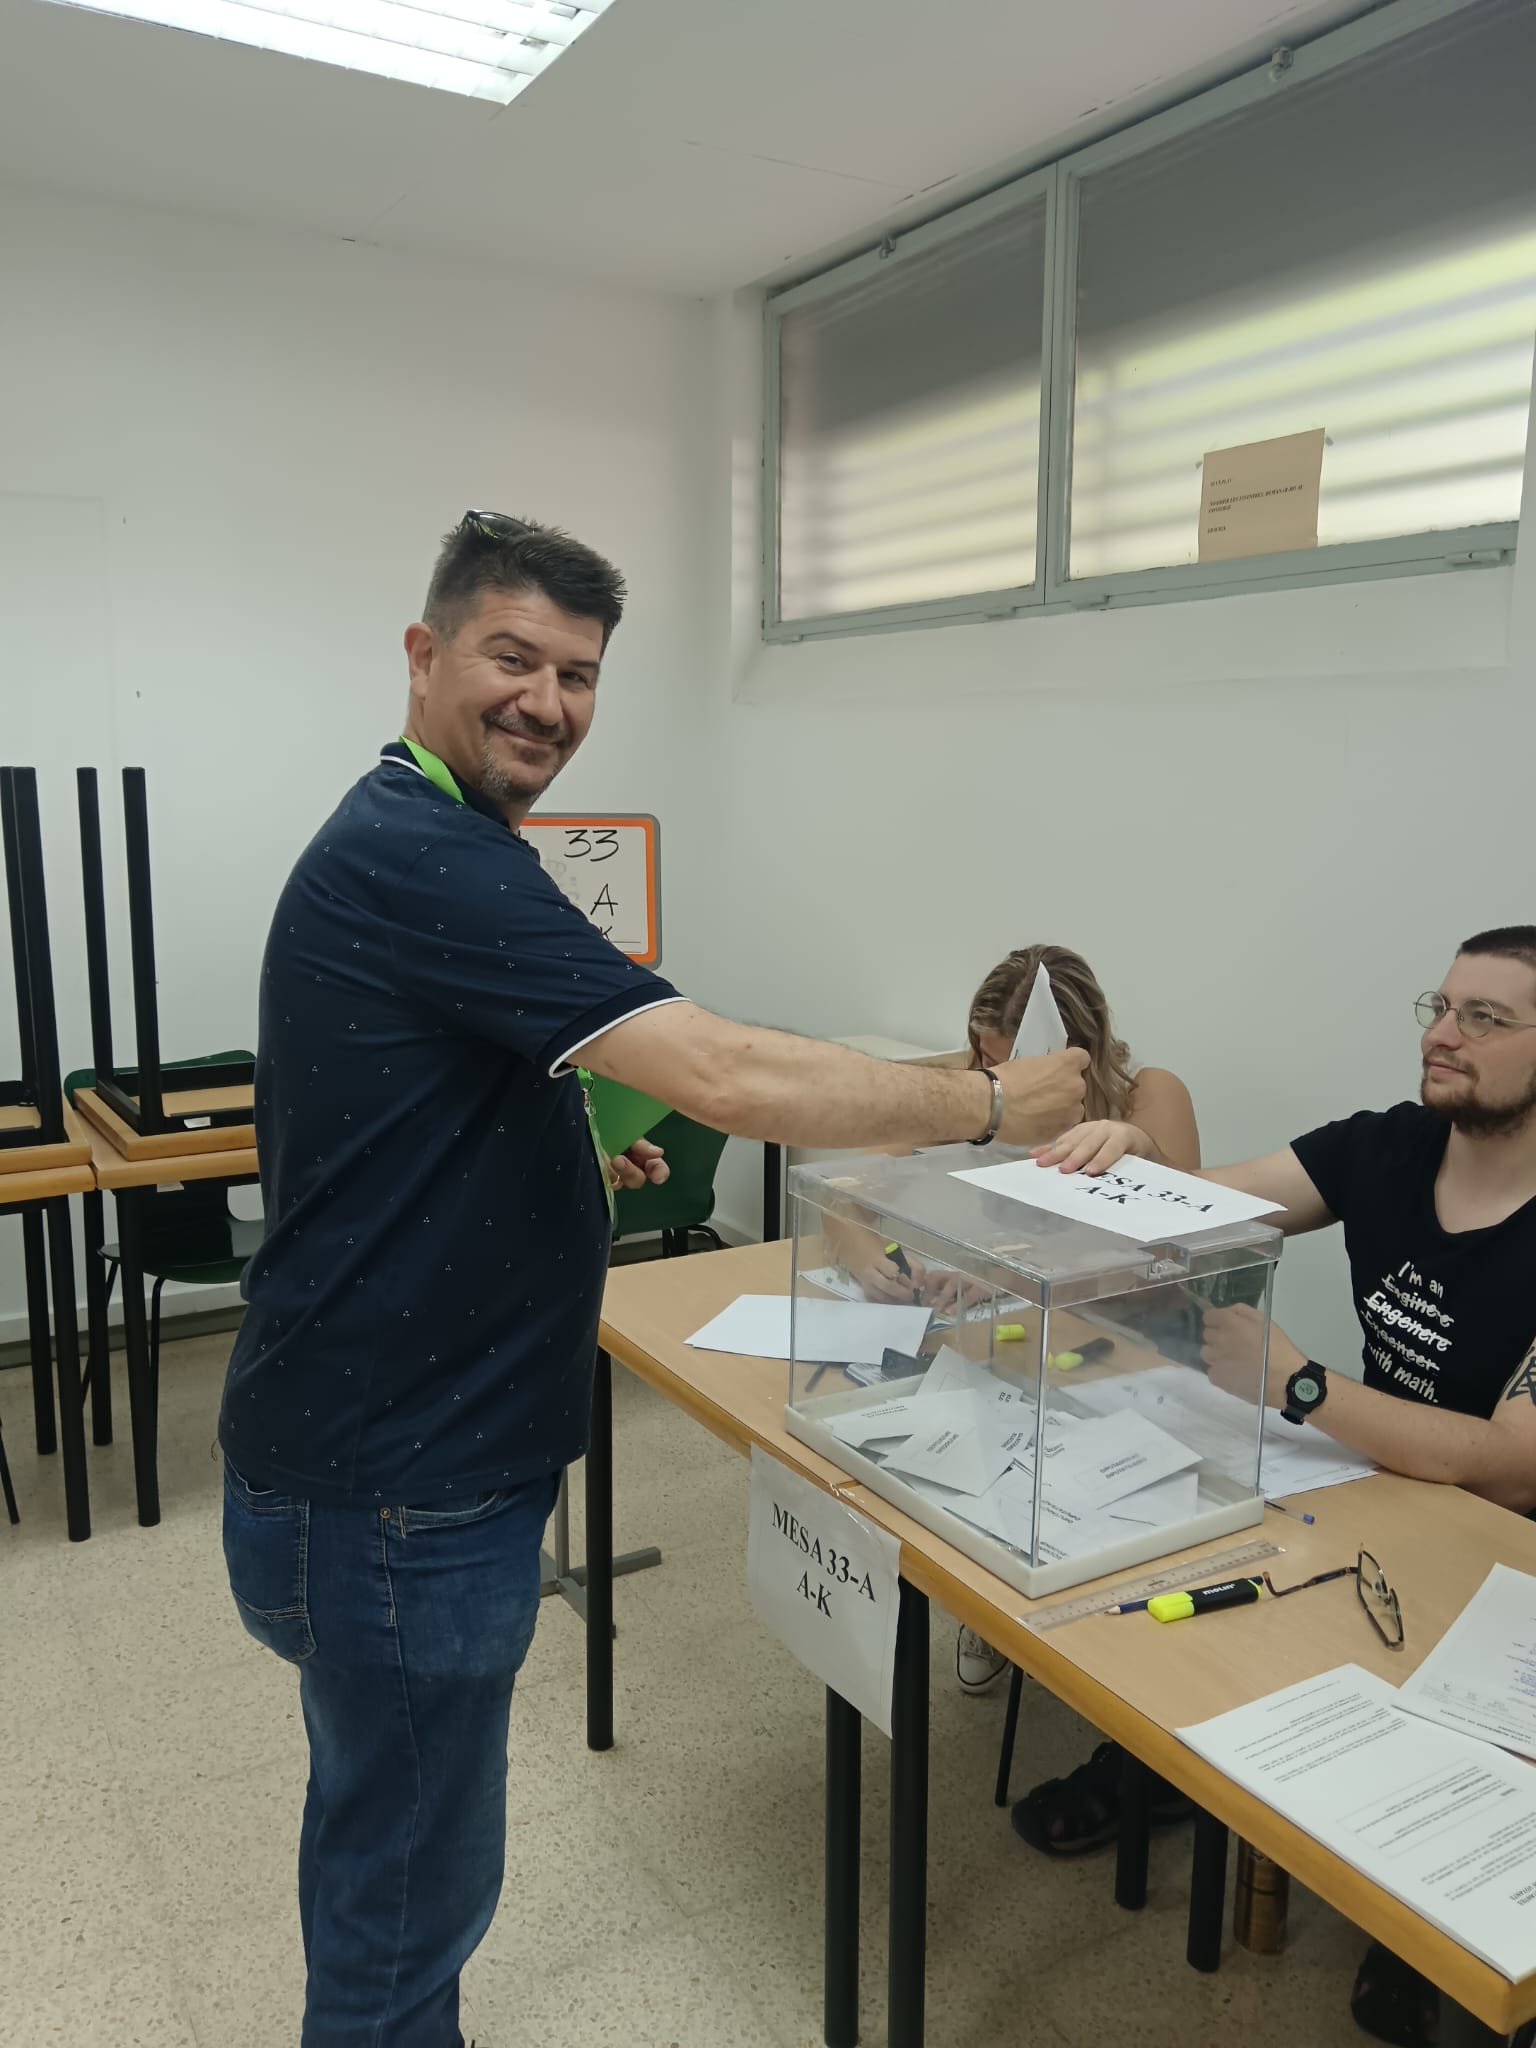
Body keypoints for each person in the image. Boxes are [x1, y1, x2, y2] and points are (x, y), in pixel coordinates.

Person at [218, 509, 1088, 2048]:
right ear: (424, 657)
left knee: (390, 1842)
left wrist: (548, 1153)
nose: (547, 701)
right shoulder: (424, 854)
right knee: (405, 1900)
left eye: (579, 673)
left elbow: (428, 1091)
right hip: (397, 1481)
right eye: (512, 657)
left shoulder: (436, 836)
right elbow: (725, 1073)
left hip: (380, 1453)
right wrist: (989, 1105)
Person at [1013, 926, 1536, 2048]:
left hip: (1499, 1548)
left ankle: (1414, 1925)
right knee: (1177, 1588)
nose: (1442, 1035)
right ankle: (1165, 1771)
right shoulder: (1388, 1146)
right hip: (1369, 1483)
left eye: (1486, 1019)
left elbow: (1512, 1458)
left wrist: (1298, 1384)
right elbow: (1197, 1203)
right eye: (1439, 1006)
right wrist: (1135, 1142)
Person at [948, 946, 1200, 1690]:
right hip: (1035, 1323)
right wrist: (940, 1265)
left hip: (1144, 1337)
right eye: (990, 1065)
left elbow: (1180, 1248)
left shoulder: (1151, 1094)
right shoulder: (985, 1092)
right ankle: (992, 1595)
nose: (1003, 1084)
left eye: (1015, 1065)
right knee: (988, 1430)